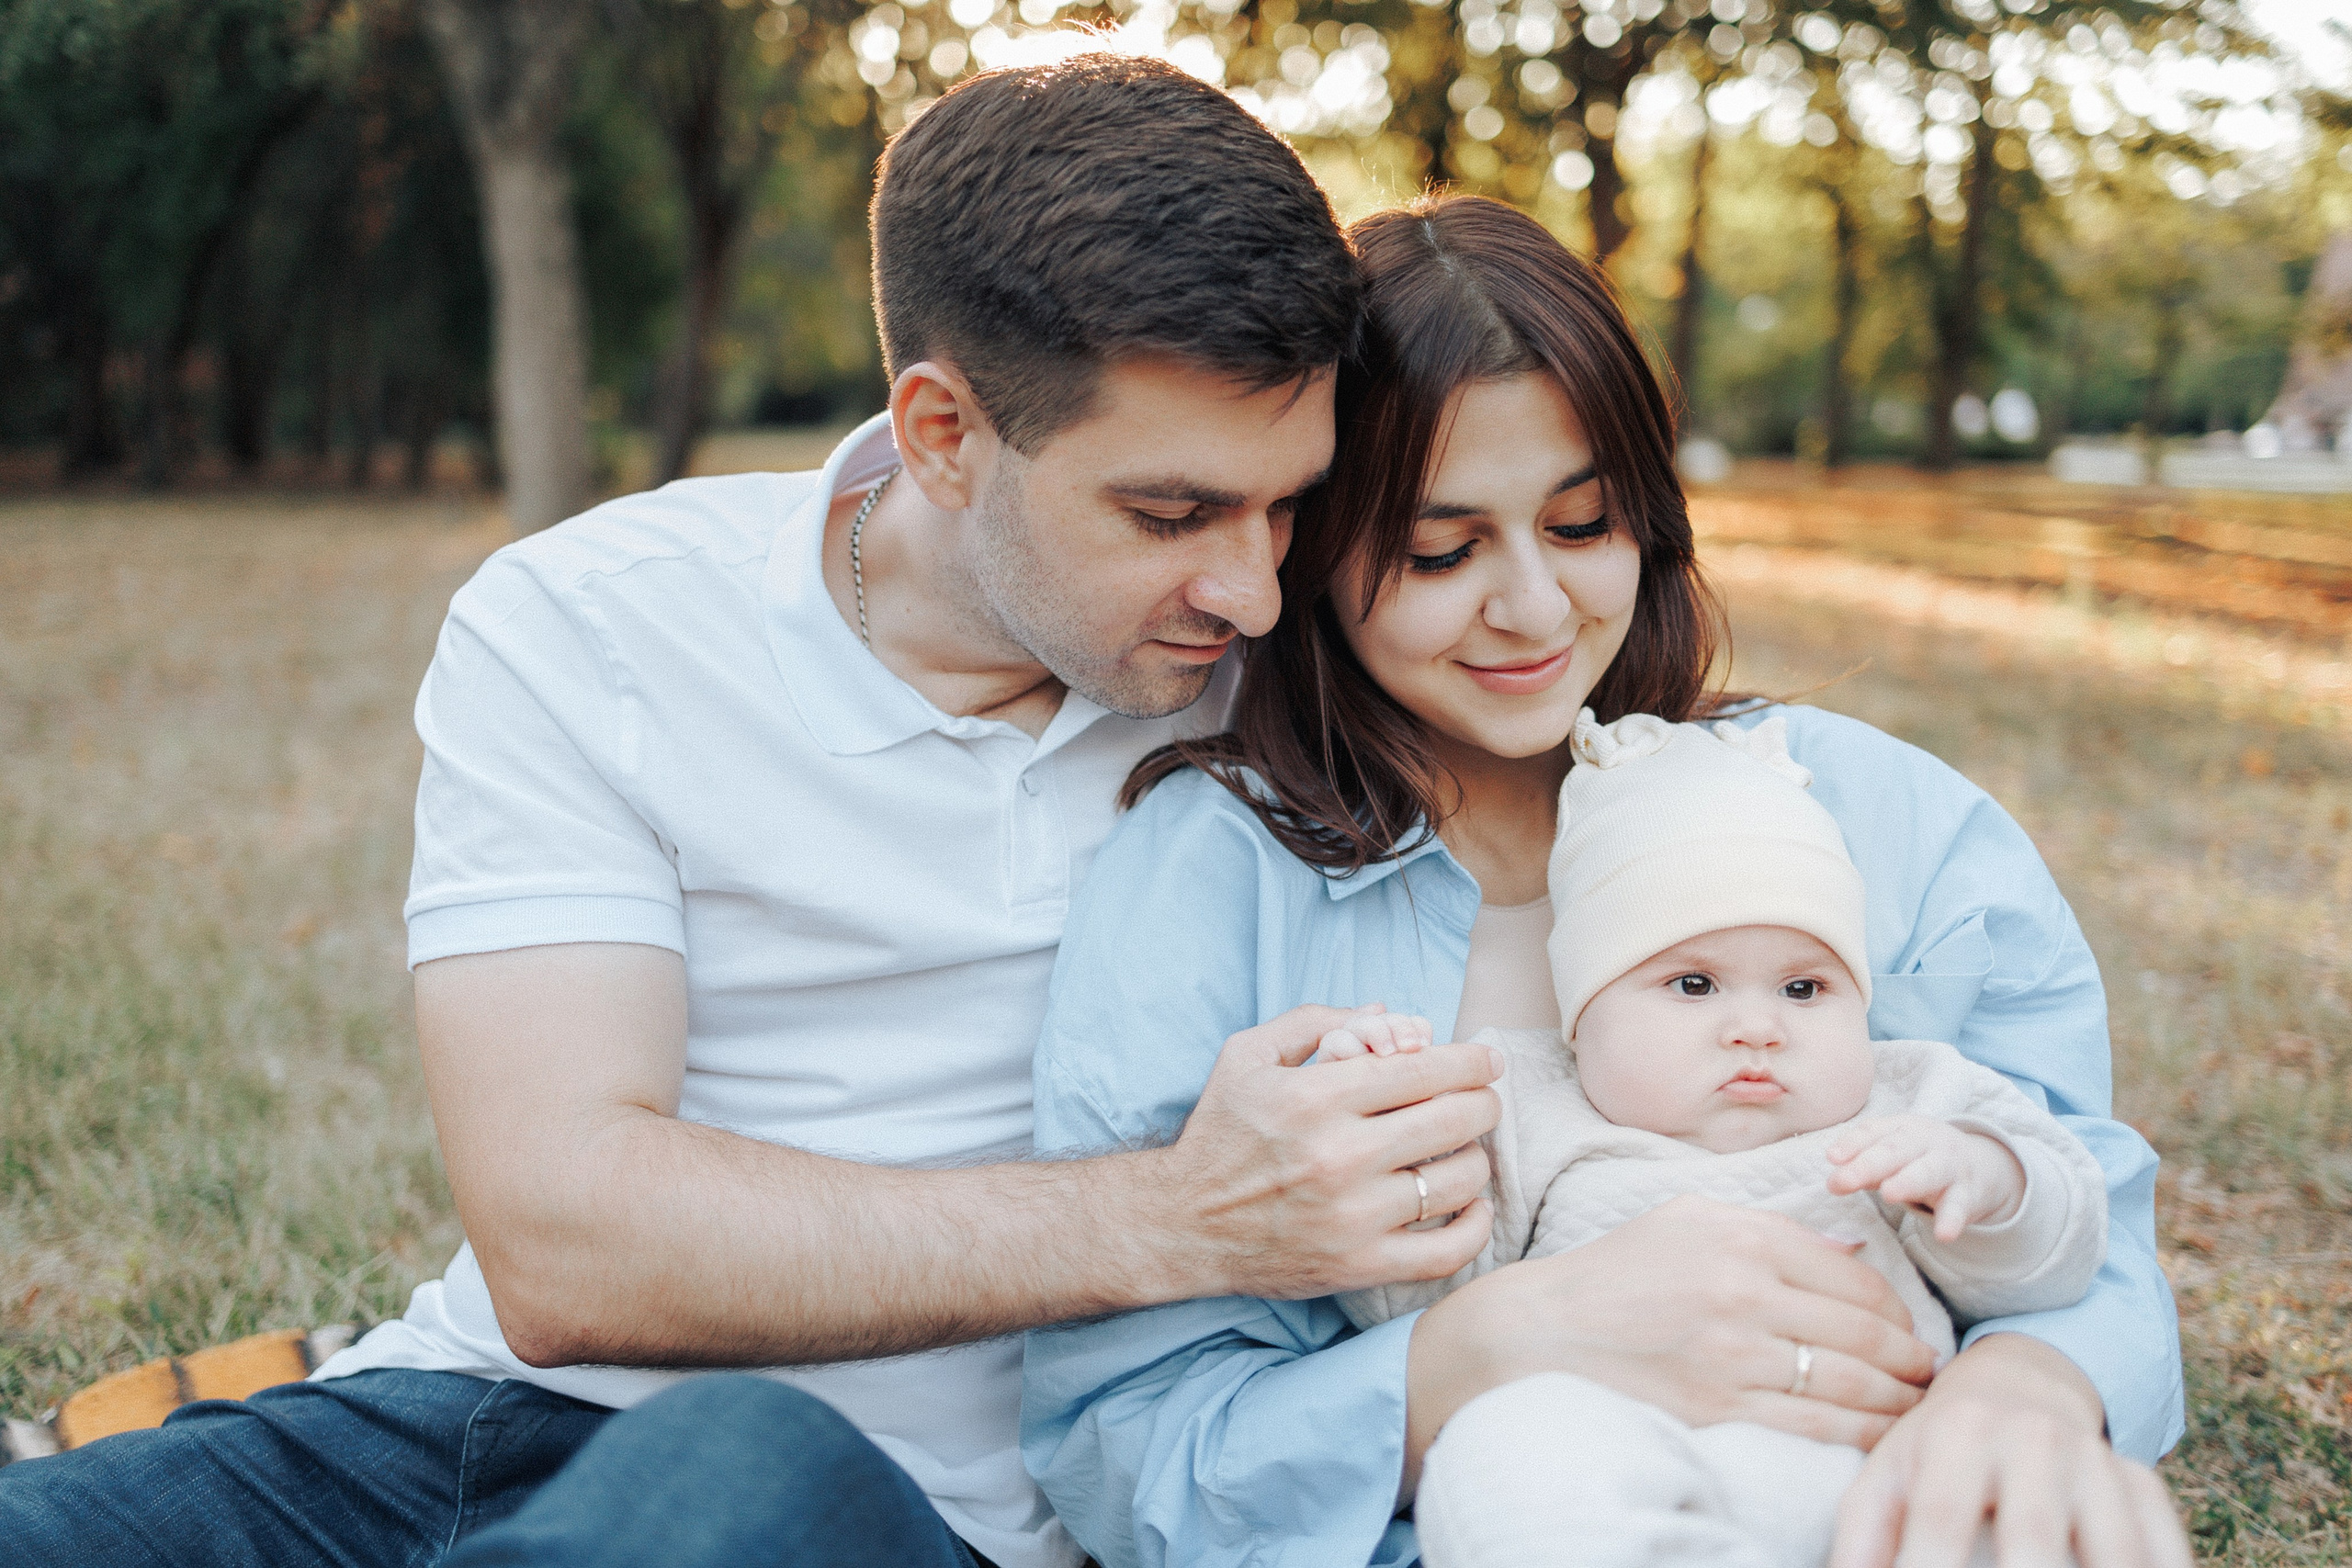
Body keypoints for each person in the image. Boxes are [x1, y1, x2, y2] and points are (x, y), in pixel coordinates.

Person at [0, 57, 1513, 1568]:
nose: (1251, 587)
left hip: (920, 1515)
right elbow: (562, 1235)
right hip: (489, 1425)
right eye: (1171, 514)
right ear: (940, 432)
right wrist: (1177, 1220)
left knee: (752, 1461)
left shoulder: (1312, 683)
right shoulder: (593, 624)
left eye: (1289, 503)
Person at [1023, 194, 2189, 1568]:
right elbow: (1130, 1443)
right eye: (1440, 551)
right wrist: (1493, 1347)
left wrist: (2028, 1386)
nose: (1532, 608)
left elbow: (2085, 1227)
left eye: (1584, 525)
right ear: (1314, 547)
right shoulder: (1212, 883)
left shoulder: (1887, 816)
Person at [1325, 708, 2111, 1568]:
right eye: (1694, 984)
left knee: (2008, 1514)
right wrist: (1393, 1130)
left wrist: (1989, 1177)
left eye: (1805, 989)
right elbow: (1403, 1299)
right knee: (1497, 1451)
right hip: (1614, 1437)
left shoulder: (1908, 1097)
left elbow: (2064, 1242)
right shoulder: (1525, 1104)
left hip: (1869, 1453)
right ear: (1581, 1015)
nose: (1757, 1026)